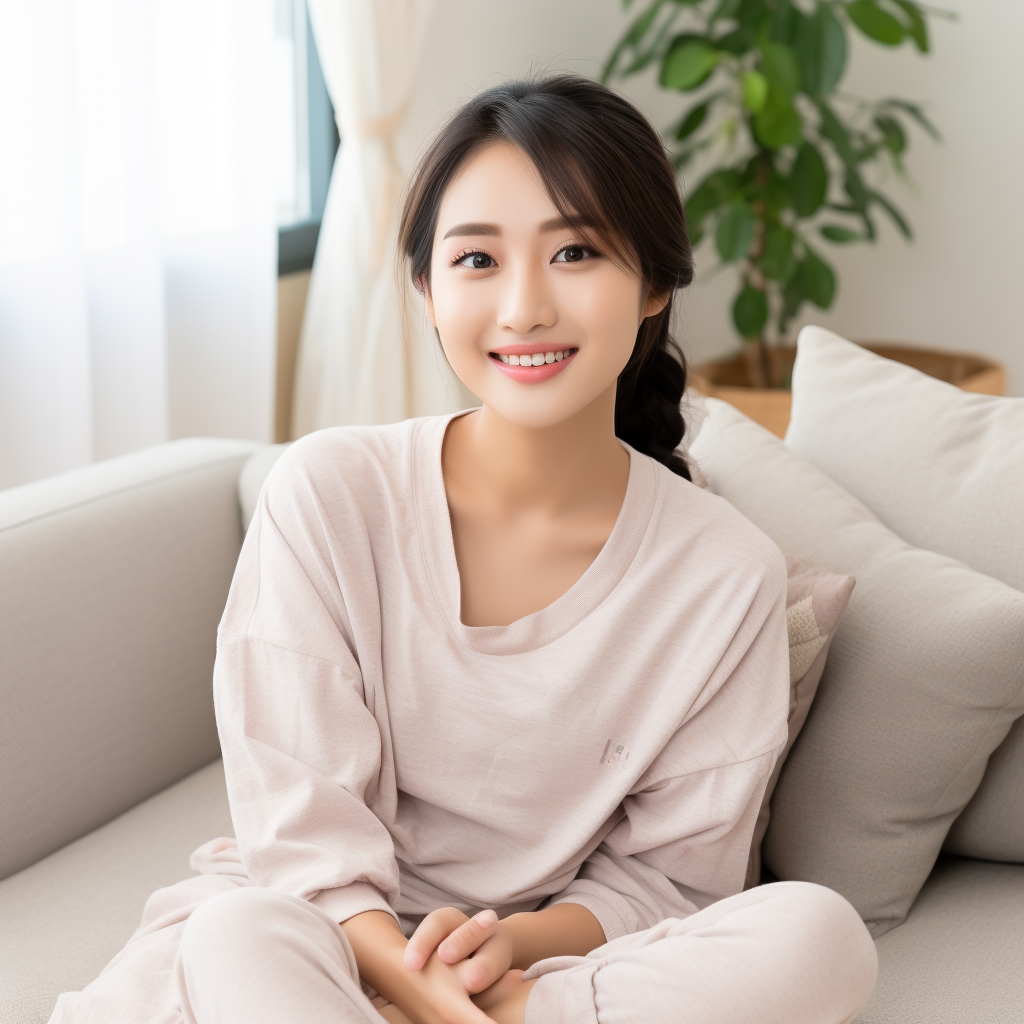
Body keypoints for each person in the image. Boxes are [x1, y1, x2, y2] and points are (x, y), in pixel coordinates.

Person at [50, 74, 876, 1024]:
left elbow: (670, 882)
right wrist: (415, 985)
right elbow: (300, 839)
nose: (523, 308)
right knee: (235, 933)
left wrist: (505, 954)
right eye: (477, 260)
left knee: (821, 935)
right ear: (428, 291)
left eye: (574, 251)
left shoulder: (725, 573)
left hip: (531, 980)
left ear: (652, 284)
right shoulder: (328, 494)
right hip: (315, 938)